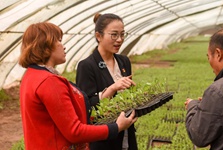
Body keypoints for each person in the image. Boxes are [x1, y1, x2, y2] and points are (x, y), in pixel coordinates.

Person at [19, 22, 137, 150]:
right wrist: (116, 127)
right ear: (45, 46)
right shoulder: (49, 82)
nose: (64, 47)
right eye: (59, 41)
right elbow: (75, 131)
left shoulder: (32, 75)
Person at [76, 13, 137, 150]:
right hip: (103, 139)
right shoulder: (87, 66)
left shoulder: (123, 61)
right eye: (114, 35)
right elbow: (86, 107)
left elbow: (128, 97)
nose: (119, 40)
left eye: (122, 34)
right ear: (99, 36)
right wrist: (112, 88)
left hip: (126, 131)